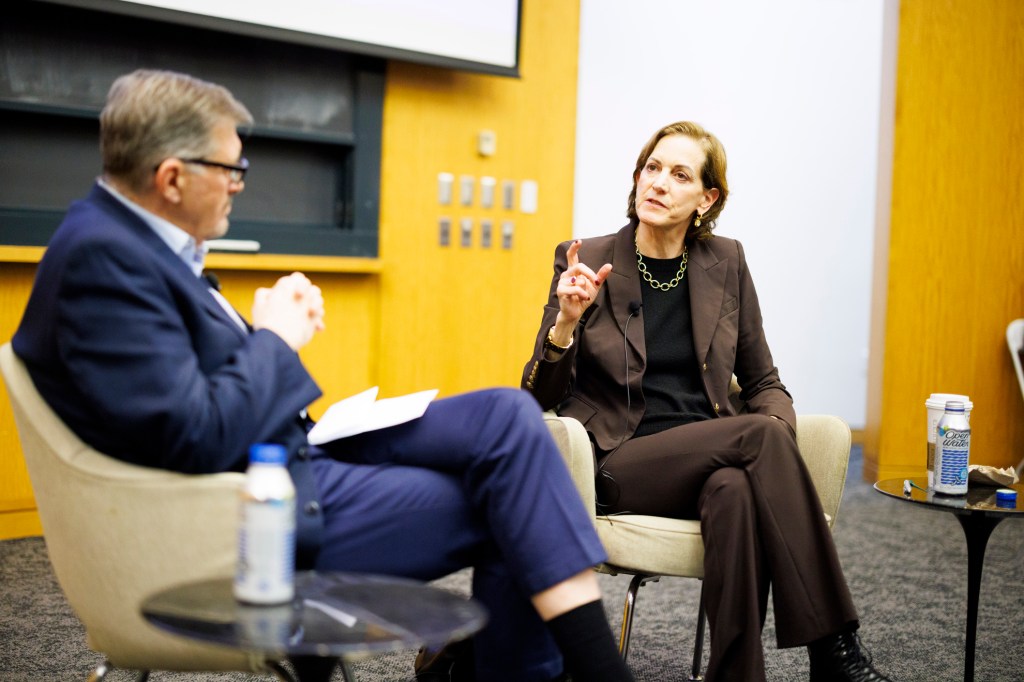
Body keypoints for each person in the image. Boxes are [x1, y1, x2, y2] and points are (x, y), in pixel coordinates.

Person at [11, 69, 636, 682]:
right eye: (232, 170)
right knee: (516, 501)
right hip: (252, 509)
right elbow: (195, 434)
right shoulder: (103, 260)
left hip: (287, 455)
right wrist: (275, 338)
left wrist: (263, 341)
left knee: (507, 414)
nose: (239, 186)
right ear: (172, 178)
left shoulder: (128, 245)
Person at [521, 121, 891, 682]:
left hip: (713, 457)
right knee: (759, 437)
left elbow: (765, 382)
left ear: (707, 197)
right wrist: (566, 324)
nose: (659, 183)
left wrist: (770, 447)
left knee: (738, 489)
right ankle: (834, 651)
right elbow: (538, 395)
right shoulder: (587, 257)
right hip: (623, 460)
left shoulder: (727, 262)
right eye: (652, 168)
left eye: (679, 174)